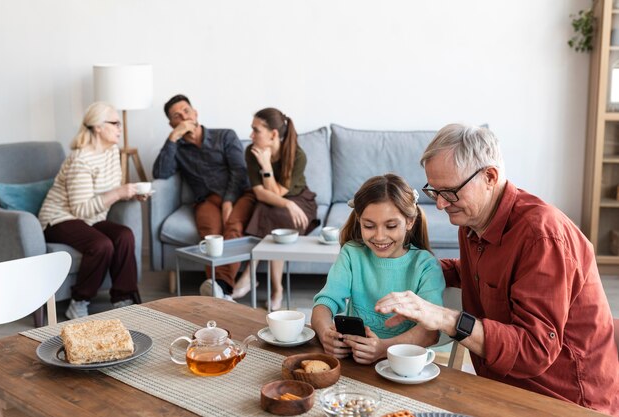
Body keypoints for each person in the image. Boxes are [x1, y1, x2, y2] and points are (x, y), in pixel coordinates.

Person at [375, 123, 619, 416]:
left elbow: (535, 350)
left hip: (564, 401)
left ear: (489, 176)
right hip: (500, 386)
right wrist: (406, 266)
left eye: (449, 192)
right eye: (433, 191)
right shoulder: (472, 221)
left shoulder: (541, 235)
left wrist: (445, 318)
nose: (439, 204)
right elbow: (473, 272)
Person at [310, 174, 445, 364]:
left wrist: (382, 349)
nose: (380, 237)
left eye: (390, 226)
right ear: (359, 220)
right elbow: (324, 302)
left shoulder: (426, 266)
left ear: (409, 221)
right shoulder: (352, 254)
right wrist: (325, 333)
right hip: (355, 363)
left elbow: (430, 332)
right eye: (369, 226)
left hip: (401, 366)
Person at [38, 102, 143, 320]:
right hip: (60, 218)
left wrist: (129, 194)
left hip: (92, 219)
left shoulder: (112, 152)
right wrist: (118, 192)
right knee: (100, 245)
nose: (120, 128)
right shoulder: (81, 159)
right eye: (115, 123)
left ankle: (123, 299)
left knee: (125, 235)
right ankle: (79, 301)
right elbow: (80, 209)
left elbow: (107, 192)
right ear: (97, 127)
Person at [153, 94, 255, 300]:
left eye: (186, 111)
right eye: (176, 116)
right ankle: (220, 289)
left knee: (233, 226)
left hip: (239, 195)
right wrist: (173, 138)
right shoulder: (177, 149)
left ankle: (221, 287)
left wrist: (228, 200)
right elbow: (160, 173)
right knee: (211, 233)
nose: (183, 117)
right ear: (171, 123)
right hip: (206, 200)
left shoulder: (225, 136)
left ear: (195, 113)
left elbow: (239, 171)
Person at [231, 108, 319, 310]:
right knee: (268, 210)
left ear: (273, 134)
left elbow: (278, 192)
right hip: (281, 203)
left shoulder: (296, 155)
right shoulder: (251, 152)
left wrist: (267, 168)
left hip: (300, 200)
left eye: (256, 130)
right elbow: (261, 194)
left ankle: (249, 277)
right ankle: (274, 288)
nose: (251, 135)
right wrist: (288, 204)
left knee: (270, 213)